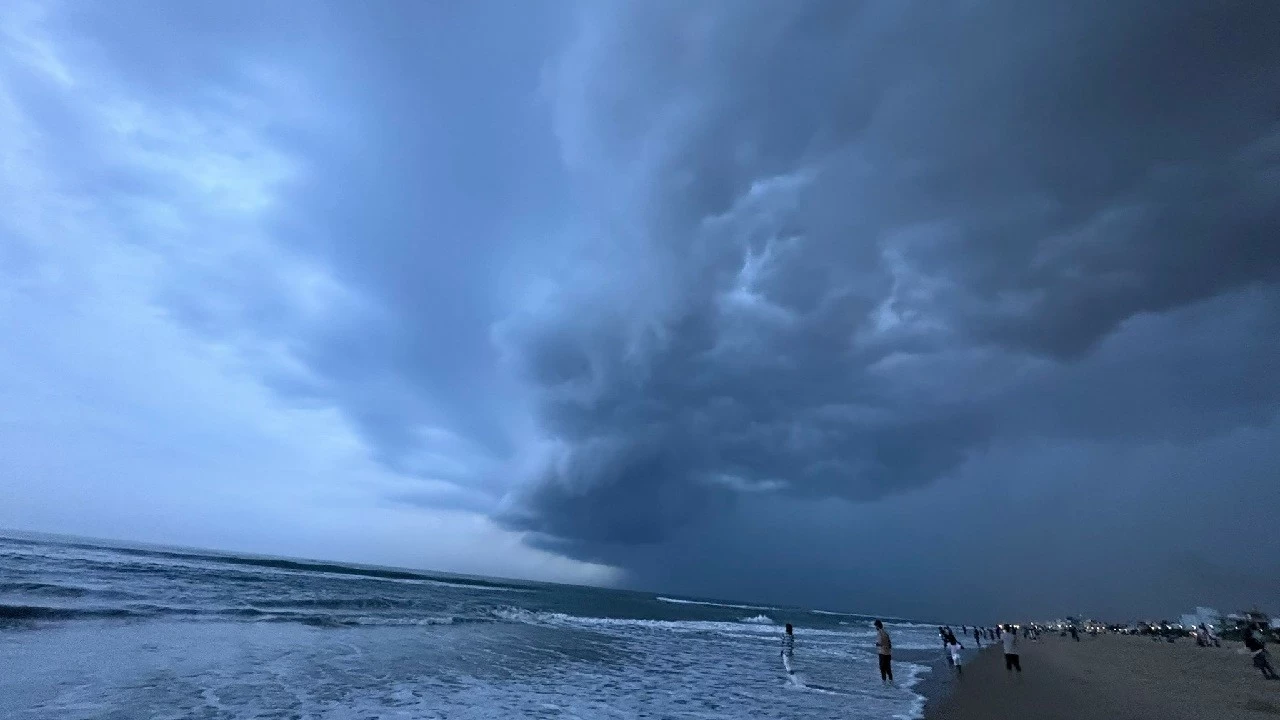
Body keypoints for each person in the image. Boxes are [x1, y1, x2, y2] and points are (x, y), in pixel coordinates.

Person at [875, 619, 894, 684]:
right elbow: (890, 644)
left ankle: (884, 682)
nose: (875, 628)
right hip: (888, 653)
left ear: (877, 626)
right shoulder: (886, 632)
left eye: (876, 626)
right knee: (888, 668)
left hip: (882, 653)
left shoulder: (879, 633)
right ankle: (891, 681)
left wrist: (877, 644)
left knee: (882, 668)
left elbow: (880, 642)